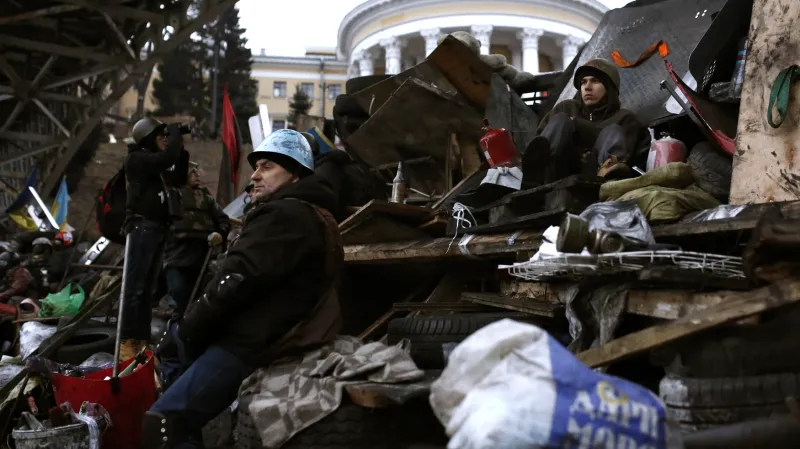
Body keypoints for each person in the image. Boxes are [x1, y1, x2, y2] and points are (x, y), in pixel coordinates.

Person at [142, 129, 344, 448]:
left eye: (266, 167)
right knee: (174, 361)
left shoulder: (286, 213)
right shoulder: (310, 211)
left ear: (295, 173)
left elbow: (233, 282)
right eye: (256, 167)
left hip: (252, 341)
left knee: (163, 422)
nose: (255, 176)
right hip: (260, 330)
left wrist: (189, 329)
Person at [522, 58, 650, 185]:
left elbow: (631, 159)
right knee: (561, 120)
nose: (587, 87)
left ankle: (609, 174)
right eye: (583, 82)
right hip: (556, 173)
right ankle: (535, 174)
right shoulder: (566, 108)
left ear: (609, 87)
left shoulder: (624, 118)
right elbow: (539, 139)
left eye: (595, 81)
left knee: (613, 130)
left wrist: (579, 125)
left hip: (596, 179)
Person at [121, 117, 186, 361]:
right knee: (134, 289)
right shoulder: (137, 159)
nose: (165, 141)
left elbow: (178, 177)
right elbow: (167, 158)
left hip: (157, 228)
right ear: (148, 138)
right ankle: (127, 341)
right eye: (161, 136)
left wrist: (180, 148)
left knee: (147, 290)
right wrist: (175, 137)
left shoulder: (156, 167)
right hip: (142, 227)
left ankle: (141, 341)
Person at [163, 162, 231, 318]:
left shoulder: (206, 198)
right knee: (179, 290)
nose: (197, 175)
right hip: (175, 254)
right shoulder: (170, 196)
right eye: (193, 172)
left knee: (198, 294)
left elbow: (223, 220)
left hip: (201, 255)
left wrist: (219, 233)